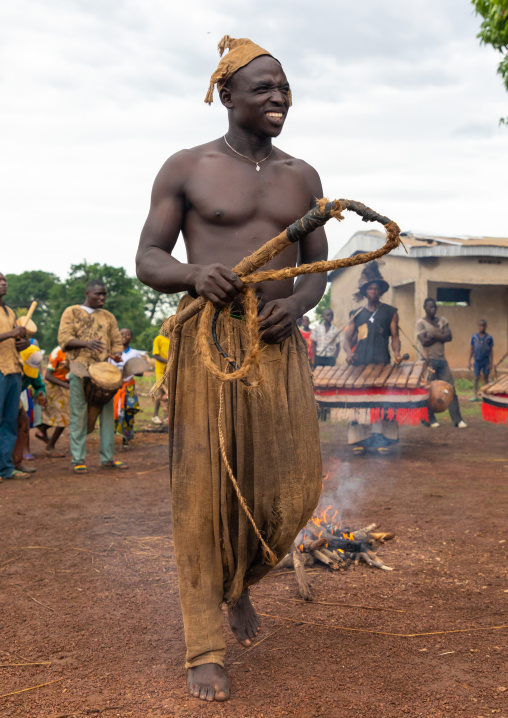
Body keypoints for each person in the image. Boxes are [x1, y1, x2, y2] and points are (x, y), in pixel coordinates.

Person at [136, 36, 326, 702]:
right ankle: (203, 645)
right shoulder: (186, 167)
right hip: (210, 347)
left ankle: (239, 579)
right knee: (202, 496)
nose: (279, 98)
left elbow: (317, 272)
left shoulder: (303, 176)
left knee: (292, 491)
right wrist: (194, 273)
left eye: (285, 89)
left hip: (278, 349)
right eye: (265, 88)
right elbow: (149, 260)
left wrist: (297, 308)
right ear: (226, 96)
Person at [57, 279, 127, 473]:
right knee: (78, 417)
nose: (102, 297)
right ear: (87, 293)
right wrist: (86, 344)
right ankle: (78, 459)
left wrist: (116, 354)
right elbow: (64, 339)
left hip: (104, 375)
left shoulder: (108, 317)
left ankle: (107, 458)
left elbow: (116, 342)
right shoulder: (71, 312)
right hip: (79, 370)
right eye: (98, 294)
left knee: (107, 418)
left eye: (104, 294)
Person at [343, 261, 402, 454]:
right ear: (365, 292)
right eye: (370, 289)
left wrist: (397, 354)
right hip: (360, 365)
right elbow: (346, 340)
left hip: (382, 362)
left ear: (380, 291)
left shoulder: (390, 312)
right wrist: (350, 354)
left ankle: (383, 439)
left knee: (382, 401)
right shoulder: (357, 314)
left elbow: (395, 337)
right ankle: (359, 440)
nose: (373, 292)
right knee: (359, 401)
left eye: (376, 289)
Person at [415, 297, 467, 428]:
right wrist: (440, 337)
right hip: (428, 361)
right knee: (428, 390)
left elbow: (449, 337)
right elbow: (424, 342)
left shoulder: (443, 320)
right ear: (425, 308)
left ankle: (457, 420)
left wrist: (432, 336)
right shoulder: (420, 323)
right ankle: (429, 419)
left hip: (442, 361)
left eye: (434, 307)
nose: (432, 309)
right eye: (430, 307)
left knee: (450, 389)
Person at [0, 272, 31, 481]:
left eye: (4, 280)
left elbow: (16, 342)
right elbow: (9, 336)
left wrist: (24, 343)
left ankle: (5, 468)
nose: (3, 283)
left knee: (9, 422)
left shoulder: (9, 311)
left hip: (13, 370)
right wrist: (11, 334)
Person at [12, 345, 47, 474]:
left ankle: (17, 463)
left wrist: (40, 395)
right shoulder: (10, 366)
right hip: (4, 396)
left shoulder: (33, 371)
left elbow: (39, 386)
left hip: (14, 397)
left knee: (23, 422)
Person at [37, 345, 70, 457]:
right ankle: (50, 447)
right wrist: (66, 385)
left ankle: (41, 429)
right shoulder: (58, 352)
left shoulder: (77, 351)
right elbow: (48, 375)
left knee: (57, 416)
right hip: (54, 385)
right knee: (64, 417)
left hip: (64, 384)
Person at [112, 328, 142, 447]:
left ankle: (125, 439)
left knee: (128, 412)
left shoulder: (134, 354)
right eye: (121, 334)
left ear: (131, 338)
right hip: (114, 388)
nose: (124, 336)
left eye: (128, 334)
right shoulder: (111, 353)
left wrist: (130, 369)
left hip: (128, 387)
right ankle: (111, 438)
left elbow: (140, 372)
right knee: (114, 412)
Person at [468, 319, 493, 401]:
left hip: (486, 361)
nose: (482, 327)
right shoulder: (474, 337)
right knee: (476, 378)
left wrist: (491, 363)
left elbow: (491, 351)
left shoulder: (489, 338)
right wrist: (469, 361)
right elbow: (472, 349)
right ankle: (475, 395)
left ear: (486, 327)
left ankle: (486, 395)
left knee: (486, 378)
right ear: (478, 327)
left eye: (483, 326)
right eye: (480, 325)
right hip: (477, 361)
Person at [151, 333, 170, 425]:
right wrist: (168, 361)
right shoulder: (158, 338)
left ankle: (166, 416)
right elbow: (155, 355)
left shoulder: (173, 339)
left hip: (170, 369)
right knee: (161, 391)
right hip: (160, 370)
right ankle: (155, 416)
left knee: (169, 393)